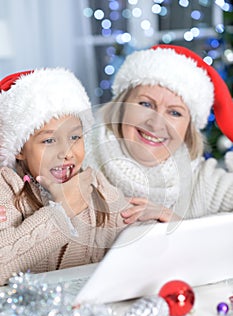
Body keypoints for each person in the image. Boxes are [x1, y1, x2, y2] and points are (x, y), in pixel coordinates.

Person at [0, 68, 176, 286]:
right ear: (19, 148)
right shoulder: (6, 189)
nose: (67, 152)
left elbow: (126, 234)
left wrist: (158, 225)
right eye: (48, 141)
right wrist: (61, 213)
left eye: (75, 137)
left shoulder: (94, 184)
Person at [84, 44, 233, 220]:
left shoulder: (205, 182)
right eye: (145, 104)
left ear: (188, 130)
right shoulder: (75, 160)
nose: (156, 124)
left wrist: (179, 228)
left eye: (175, 113)